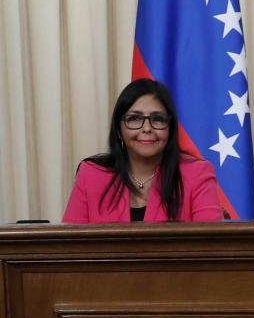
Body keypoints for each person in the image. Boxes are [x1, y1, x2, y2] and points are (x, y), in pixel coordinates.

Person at [63, 78, 224, 223]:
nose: (147, 128)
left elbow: (212, 247)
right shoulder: (91, 174)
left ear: (170, 128)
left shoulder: (197, 174)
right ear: (119, 128)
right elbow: (71, 248)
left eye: (158, 119)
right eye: (134, 118)